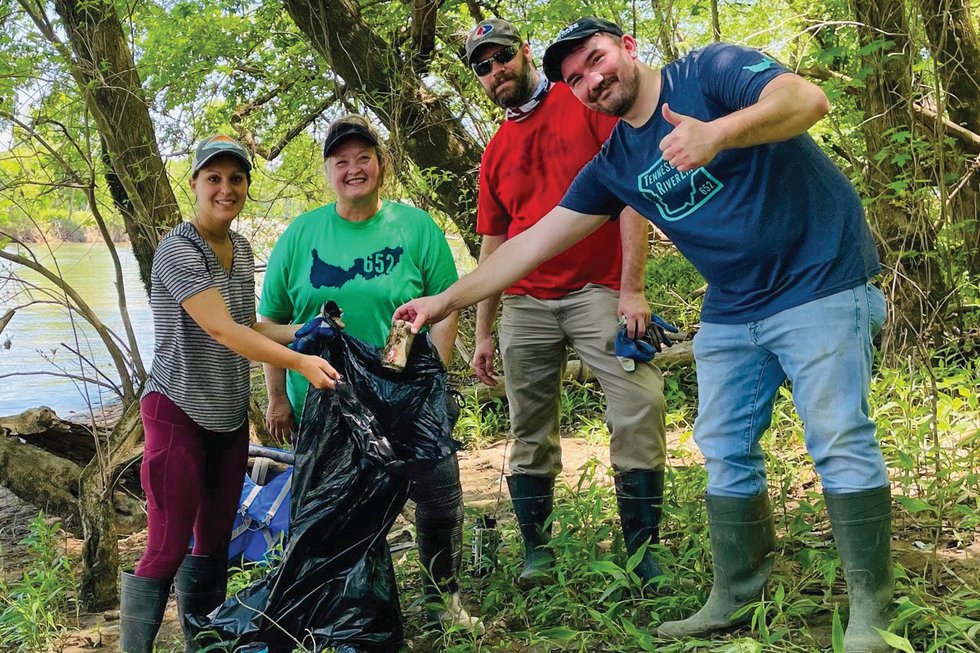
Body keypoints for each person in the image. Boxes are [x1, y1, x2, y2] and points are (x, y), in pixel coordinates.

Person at [396, 18, 892, 653]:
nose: (591, 79)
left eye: (596, 60)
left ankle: (870, 614)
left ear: (628, 46)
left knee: (837, 436)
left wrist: (717, 134)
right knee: (723, 443)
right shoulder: (614, 165)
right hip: (735, 304)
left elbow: (806, 100)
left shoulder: (708, 73)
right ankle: (736, 590)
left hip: (820, 276)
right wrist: (444, 301)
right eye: (574, 78)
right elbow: (528, 245)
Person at [463, 18, 670, 590]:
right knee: (528, 429)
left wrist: (633, 288)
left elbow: (633, 192)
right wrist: (484, 331)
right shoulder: (496, 150)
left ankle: (641, 552)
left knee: (639, 401)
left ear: (523, 52)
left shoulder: (582, 100)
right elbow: (494, 243)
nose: (494, 70)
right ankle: (537, 550)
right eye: (482, 66)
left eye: (501, 56)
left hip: (598, 289)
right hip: (526, 303)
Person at [258, 115, 480, 631]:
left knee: (439, 495)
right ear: (328, 172)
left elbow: (446, 305)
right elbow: (268, 323)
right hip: (325, 399)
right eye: (342, 162)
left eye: (364, 158)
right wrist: (277, 399)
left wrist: (436, 382)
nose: (354, 169)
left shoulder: (415, 226)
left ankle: (441, 598)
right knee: (336, 509)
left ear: (381, 165)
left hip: (405, 394)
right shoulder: (301, 234)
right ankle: (342, 614)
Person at [121, 135, 342, 653]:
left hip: (226, 415)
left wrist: (299, 332)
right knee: (169, 542)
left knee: (216, 540)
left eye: (236, 179)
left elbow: (247, 326)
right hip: (177, 409)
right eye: (214, 179)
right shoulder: (178, 250)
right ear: (194, 184)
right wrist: (300, 363)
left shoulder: (241, 251)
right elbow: (221, 330)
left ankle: (205, 641)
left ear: (246, 186)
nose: (226, 189)